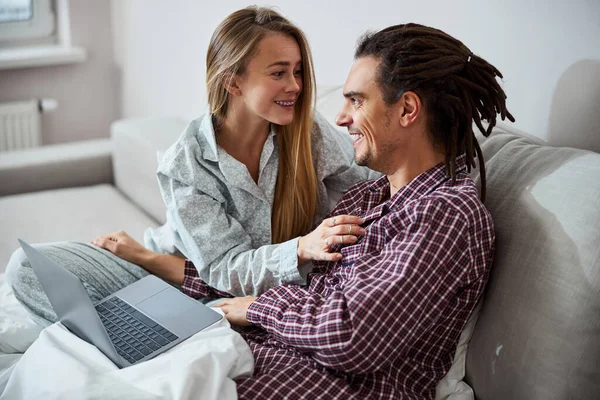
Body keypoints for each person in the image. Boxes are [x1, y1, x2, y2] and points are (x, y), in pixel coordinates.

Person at [5, 6, 376, 326]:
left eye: (297, 71)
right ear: (233, 82)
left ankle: (150, 328)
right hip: (174, 275)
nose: (295, 85)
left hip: (227, 295)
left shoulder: (307, 132)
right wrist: (299, 248)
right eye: (279, 73)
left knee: (203, 313)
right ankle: (136, 326)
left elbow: (375, 181)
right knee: (26, 267)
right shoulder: (187, 162)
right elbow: (226, 268)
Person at [203, 24, 514, 399]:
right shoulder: (365, 198)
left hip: (319, 386)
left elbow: (353, 335)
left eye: (356, 101)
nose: (340, 117)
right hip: (255, 358)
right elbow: (304, 284)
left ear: (408, 109)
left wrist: (257, 308)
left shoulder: (448, 214)